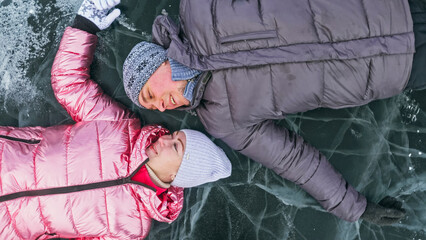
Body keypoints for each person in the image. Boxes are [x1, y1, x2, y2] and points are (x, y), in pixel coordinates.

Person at [121, 0, 423, 226]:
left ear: (157, 62)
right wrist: (354, 207)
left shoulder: (201, 8)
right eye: (153, 108)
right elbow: (292, 159)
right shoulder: (221, 118)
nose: (161, 106)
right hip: (393, 71)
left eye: (151, 95)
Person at [0, 1, 232, 239]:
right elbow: (70, 85)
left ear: (177, 176)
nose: (164, 139)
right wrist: (85, 24)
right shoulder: (118, 126)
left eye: (175, 146)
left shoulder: (131, 228)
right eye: (172, 136)